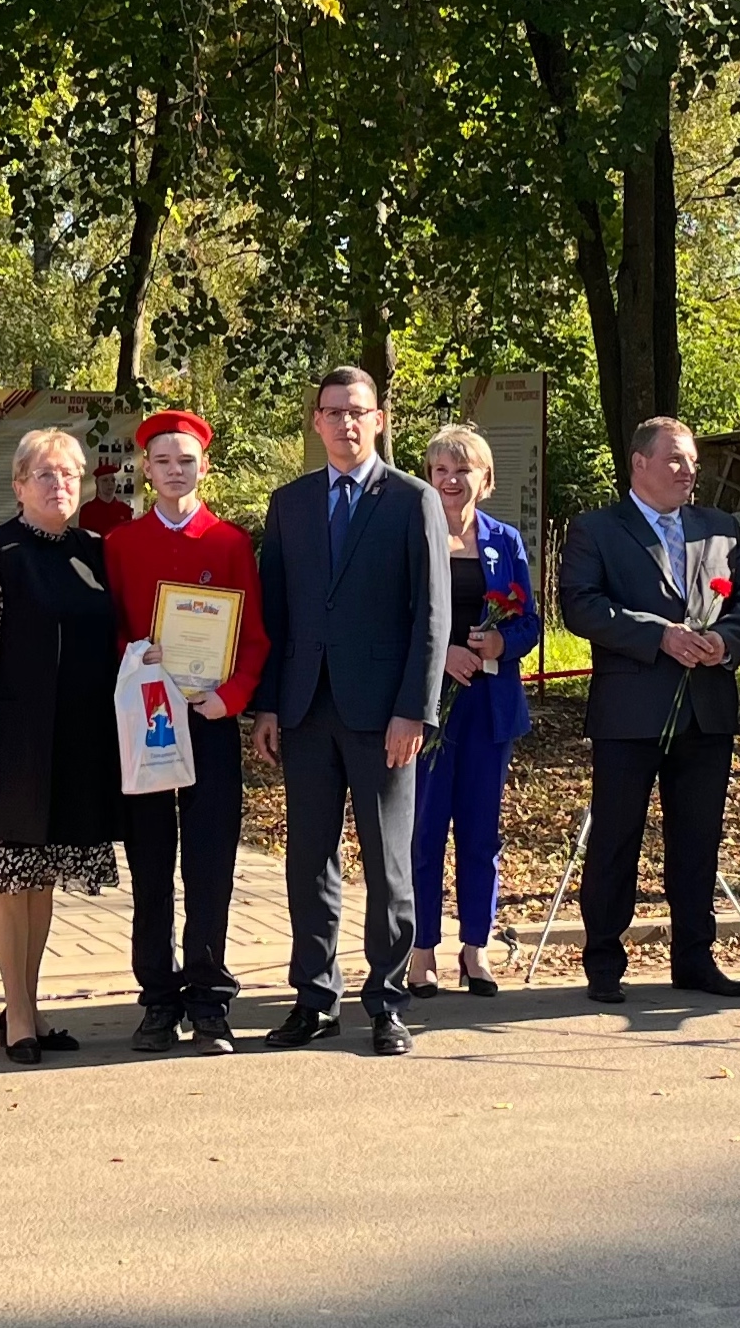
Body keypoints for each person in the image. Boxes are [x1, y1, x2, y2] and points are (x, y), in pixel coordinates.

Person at [250, 366, 449, 1056]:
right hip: (305, 709)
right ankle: (314, 999)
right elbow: (274, 611)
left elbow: (432, 616)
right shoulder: (290, 502)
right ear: (316, 421)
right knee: (308, 860)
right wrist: (268, 705)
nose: (345, 423)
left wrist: (414, 710)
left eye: (357, 411)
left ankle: (387, 1002)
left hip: (384, 714)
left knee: (388, 865)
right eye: (333, 412)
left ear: (379, 419)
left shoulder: (413, 500)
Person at [559, 417, 740, 1001]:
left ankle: (694, 959)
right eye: (676, 459)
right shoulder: (597, 529)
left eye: (693, 461)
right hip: (630, 712)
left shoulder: (719, 528)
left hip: (706, 708)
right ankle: (604, 961)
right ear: (639, 463)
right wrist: (659, 635)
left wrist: (726, 640)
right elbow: (580, 605)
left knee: (698, 841)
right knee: (616, 839)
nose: (688, 470)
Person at [0, 428, 125, 1064]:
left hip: (74, 744)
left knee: (42, 880)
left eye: (69, 474)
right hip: (8, 746)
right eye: (45, 474)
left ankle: (33, 1006)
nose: (59, 484)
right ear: (19, 485)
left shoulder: (95, 552)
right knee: (11, 878)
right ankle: (14, 1013)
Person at [102, 410, 270, 1054]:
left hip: (208, 719)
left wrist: (232, 698)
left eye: (187, 460)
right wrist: (133, 655)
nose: (176, 471)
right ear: (146, 469)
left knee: (210, 861)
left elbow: (253, 636)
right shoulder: (122, 543)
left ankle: (208, 998)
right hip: (148, 719)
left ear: (205, 466)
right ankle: (158, 998)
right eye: (164, 461)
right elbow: (111, 628)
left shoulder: (229, 543)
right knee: (150, 862)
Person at [409, 424, 540, 999]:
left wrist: (501, 643)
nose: (451, 480)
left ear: (485, 480)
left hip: (489, 708)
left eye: (462, 470)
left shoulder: (504, 541)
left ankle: (475, 947)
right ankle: (421, 950)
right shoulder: (413, 535)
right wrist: (442, 653)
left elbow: (530, 622)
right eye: (440, 470)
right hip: (427, 707)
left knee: (481, 833)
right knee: (425, 831)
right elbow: (394, 618)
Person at [78, 460, 135, 537]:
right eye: (105, 480)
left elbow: (128, 537)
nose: (110, 484)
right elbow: (83, 539)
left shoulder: (125, 510)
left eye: (113, 480)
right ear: (97, 482)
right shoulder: (87, 510)